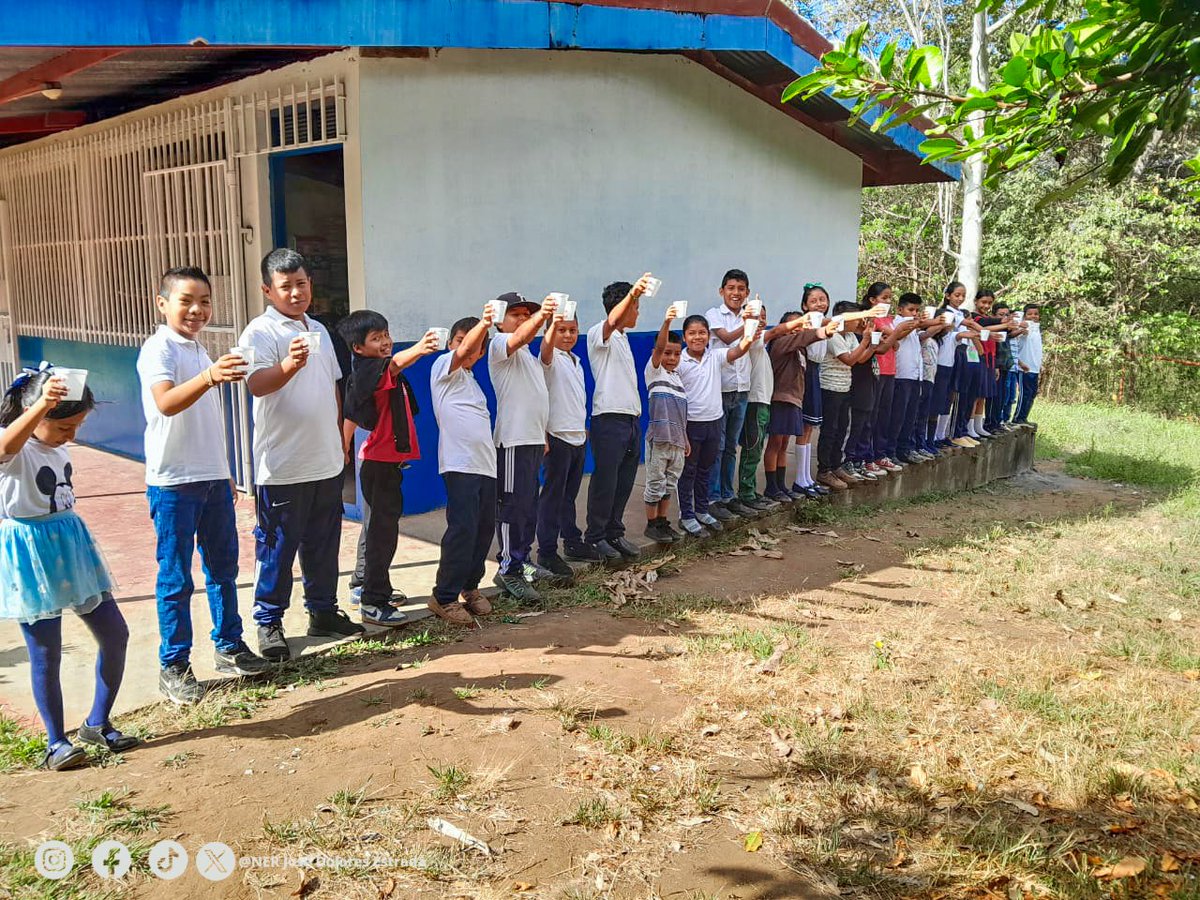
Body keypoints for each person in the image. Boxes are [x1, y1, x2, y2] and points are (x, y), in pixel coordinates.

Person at [138, 266, 268, 706]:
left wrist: (224, 472)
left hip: (212, 480)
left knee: (223, 570)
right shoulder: (159, 349)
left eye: (205, 301)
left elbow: (206, 422)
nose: (197, 310)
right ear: (163, 304)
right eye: (186, 300)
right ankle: (173, 665)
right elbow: (166, 403)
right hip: (173, 483)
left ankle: (229, 644)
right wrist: (211, 377)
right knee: (175, 577)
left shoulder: (197, 350)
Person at [1, 366, 139, 770]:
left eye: (77, 426)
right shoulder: (18, 451)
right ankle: (55, 743)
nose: (71, 436)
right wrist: (43, 404)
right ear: (37, 416)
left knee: (115, 635)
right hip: (29, 554)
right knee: (46, 652)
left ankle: (97, 721)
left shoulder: (58, 444)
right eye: (64, 427)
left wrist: (56, 416)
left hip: (71, 547)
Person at [239, 248, 364, 663]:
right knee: (277, 545)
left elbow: (332, 386)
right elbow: (256, 384)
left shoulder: (320, 330)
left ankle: (323, 612)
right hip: (284, 465)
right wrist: (290, 366)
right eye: (286, 286)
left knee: (324, 542)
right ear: (267, 290)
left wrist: (338, 439)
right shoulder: (260, 332)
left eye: (302, 284)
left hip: (324, 460)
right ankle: (269, 621)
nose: (296, 293)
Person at [338, 311, 440, 628]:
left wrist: (343, 444)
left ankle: (361, 583)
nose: (385, 342)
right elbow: (393, 366)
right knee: (383, 534)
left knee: (376, 528)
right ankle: (374, 601)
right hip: (378, 464)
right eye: (376, 338)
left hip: (385, 462)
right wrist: (421, 348)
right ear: (358, 348)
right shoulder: (372, 370)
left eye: (386, 334)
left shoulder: (376, 373)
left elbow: (355, 409)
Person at [489, 292, 559, 602]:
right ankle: (508, 569)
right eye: (515, 314)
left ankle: (523, 561)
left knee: (528, 506)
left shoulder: (529, 357)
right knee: (512, 507)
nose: (521, 318)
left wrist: (542, 434)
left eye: (525, 314)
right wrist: (541, 316)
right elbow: (516, 339)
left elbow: (536, 398)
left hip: (531, 439)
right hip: (513, 440)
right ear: (499, 321)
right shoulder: (499, 347)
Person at [429, 311, 498, 625]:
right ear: (452, 343)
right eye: (463, 343)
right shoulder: (444, 368)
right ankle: (443, 596)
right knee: (463, 528)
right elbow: (462, 352)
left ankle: (470, 587)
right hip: (460, 465)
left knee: (483, 529)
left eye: (478, 348)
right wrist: (484, 324)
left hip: (484, 466)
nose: (471, 351)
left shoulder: (472, 382)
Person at [584, 276, 654, 563]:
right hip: (608, 419)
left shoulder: (623, 339)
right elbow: (612, 321)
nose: (637, 313)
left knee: (624, 480)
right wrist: (633, 294)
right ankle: (596, 536)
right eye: (635, 307)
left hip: (630, 420)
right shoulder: (599, 334)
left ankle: (614, 530)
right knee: (606, 480)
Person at [676, 313, 755, 535]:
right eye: (692, 333)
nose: (697, 337)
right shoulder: (680, 362)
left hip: (714, 422)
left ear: (708, 336)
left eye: (702, 332)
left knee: (705, 470)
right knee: (688, 472)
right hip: (691, 425)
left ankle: (702, 510)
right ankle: (686, 515)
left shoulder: (715, 356)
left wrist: (750, 326)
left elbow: (739, 350)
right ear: (684, 337)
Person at [536, 304, 586, 579]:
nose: (567, 335)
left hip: (577, 436)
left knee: (569, 496)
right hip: (556, 437)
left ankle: (572, 540)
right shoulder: (549, 358)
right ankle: (546, 551)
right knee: (552, 497)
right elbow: (545, 350)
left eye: (572, 330)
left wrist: (583, 428)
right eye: (561, 330)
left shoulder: (575, 361)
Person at [704, 269, 756, 521]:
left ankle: (727, 495)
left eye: (741, 289)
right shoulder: (714, 315)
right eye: (731, 288)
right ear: (722, 291)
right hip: (720, 389)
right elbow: (724, 338)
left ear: (747, 292)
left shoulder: (751, 316)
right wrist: (748, 324)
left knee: (731, 447)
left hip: (742, 388)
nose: (736, 293)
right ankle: (712, 497)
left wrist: (752, 322)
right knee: (718, 446)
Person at [764, 308, 830, 501]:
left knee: (784, 444)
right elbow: (802, 338)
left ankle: (780, 484)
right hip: (781, 399)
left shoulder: (800, 351)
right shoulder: (780, 344)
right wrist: (821, 330)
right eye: (794, 326)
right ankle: (771, 487)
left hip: (794, 400)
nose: (797, 330)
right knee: (775, 443)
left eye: (800, 326)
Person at [816, 302, 878, 491]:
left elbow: (859, 358)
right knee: (830, 430)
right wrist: (866, 341)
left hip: (844, 388)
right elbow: (850, 359)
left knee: (842, 428)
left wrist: (872, 346)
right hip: (830, 388)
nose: (859, 321)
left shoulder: (850, 335)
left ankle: (836, 466)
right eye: (856, 318)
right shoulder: (833, 335)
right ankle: (824, 470)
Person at [643, 304, 689, 544]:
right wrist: (668, 322)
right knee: (655, 482)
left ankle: (662, 521)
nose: (671, 358)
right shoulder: (654, 372)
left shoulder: (678, 380)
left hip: (678, 442)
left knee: (670, 482)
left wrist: (686, 440)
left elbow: (682, 414)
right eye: (667, 353)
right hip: (659, 439)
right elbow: (660, 346)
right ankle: (651, 524)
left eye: (677, 353)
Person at [882, 293, 937, 465]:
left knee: (910, 416)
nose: (914, 313)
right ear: (900, 309)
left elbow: (921, 333)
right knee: (897, 417)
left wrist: (939, 323)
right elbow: (899, 335)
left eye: (916, 310)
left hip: (914, 376)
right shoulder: (898, 323)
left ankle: (904, 449)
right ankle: (890, 451)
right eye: (910, 309)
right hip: (901, 376)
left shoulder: (913, 326)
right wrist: (919, 323)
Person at [737, 298, 779, 514]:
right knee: (752, 448)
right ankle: (745, 492)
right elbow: (773, 332)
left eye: (763, 316)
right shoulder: (753, 338)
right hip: (755, 400)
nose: (760, 320)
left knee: (757, 446)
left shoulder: (759, 340)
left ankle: (750, 490)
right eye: (755, 316)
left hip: (763, 401)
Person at [791, 284, 832, 497]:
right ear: (805, 305)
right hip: (805, 372)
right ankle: (800, 479)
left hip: (816, 371)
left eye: (822, 299)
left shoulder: (824, 322)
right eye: (813, 300)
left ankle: (806, 477)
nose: (819, 304)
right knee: (805, 426)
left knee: (810, 428)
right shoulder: (809, 321)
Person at [861, 282, 900, 473]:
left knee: (885, 414)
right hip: (876, 370)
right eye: (884, 298)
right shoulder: (871, 319)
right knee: (872, 415)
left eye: (889, 298)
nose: (887, 301)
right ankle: (866, 456)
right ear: (872, 300)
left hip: (890, 370)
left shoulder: (889, 319)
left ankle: (879, 453)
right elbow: (891, 339)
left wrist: (892, 336)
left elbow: (896, 344)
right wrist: (893, 335)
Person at [1013, 304, 1043, 426]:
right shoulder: (1024, 328)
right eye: (1029, 314)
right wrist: (1022, 325)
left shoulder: (1037, 329)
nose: (1033, 316)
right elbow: (1018, 332)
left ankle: (1024, 417)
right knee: (1024, 393)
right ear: (1025, 316)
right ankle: (1018, 418)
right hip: (1024, 367)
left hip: (1034, 367)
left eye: (1035, 314)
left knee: (1032, 393)